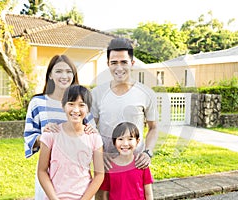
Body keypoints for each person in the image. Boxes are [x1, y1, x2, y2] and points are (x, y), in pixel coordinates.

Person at [23, 55, 95, 199]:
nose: (64, 76)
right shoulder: (38, 102)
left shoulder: (83, 102)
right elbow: (29, 136)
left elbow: (92, 134)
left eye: (69, 71)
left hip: (78, 177)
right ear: (50, 74)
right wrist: (45, 135)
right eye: (59, 71)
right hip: (49, 175)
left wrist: (90, 131)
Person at [91, 37, 159, 171]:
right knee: (102, 193)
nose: (119, 67)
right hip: (106, 164)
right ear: (108, 64)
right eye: (114, 62)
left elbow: (154, 128)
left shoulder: (147, 93)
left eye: (124, 62)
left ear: (132, 63)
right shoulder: (96, 93)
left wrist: (148, 152)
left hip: (136, 164)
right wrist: (99, 154)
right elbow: (90, 129)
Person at [38, 84, 104, 200]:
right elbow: (42, 171)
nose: (76, 110)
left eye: (82, 105)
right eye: (71, 104)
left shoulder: (94, 138)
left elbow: (99, 175)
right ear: (63, 106)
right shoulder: (50, 135)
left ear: (88, 109)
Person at [100, 122, 153, 200]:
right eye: (120, 139)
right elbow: (105, 194)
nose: (125, 143)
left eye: (130, 139)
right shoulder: (109, 167)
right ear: (114, 142)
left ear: (137, 141)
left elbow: (148, 193)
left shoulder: (141, 164)